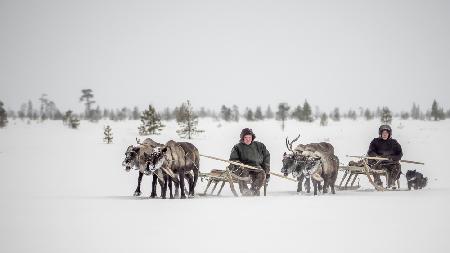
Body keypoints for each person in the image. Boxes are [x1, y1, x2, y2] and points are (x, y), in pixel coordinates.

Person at [229, 128, 270, 196]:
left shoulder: (260, 146)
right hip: (243, 167)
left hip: (256, 167)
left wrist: (266, 168)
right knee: (243, 173)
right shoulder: (237, 147)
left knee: (262, 173)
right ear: (242, 138)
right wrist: (239, 164)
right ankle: (245, 191)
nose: (248, 139)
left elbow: (266, 156)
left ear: (252, 137)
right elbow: (233, 159)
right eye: (246, 137)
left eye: (249, 137)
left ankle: (253, 191)